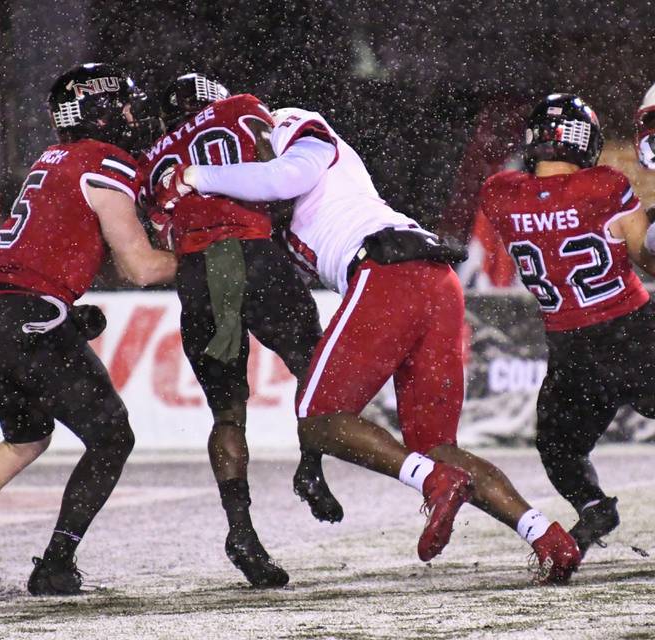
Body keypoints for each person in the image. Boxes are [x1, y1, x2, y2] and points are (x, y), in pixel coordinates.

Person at [156, 106, 581, 584]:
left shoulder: (296, 131)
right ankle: (548, 537)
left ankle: (435, 482)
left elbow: (284, 174)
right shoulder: (278, 220)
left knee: (319, 420)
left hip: (387, 268)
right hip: (432, 281)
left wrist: (194, 174)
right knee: (436, 446)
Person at [139, 75, 474, 587]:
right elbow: (277, 175)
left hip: (197, 273)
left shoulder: (151, 164)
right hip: (252, 255)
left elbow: (161, 232)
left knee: (227, 413)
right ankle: (311, 469)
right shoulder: (245, 109)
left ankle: (241, 529)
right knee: (318, 375)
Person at [0, 63, 177, 595]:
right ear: (98, 112)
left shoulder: (54, 161)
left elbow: (41, 252)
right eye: (122, 104)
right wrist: (214, 256)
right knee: (111, 436)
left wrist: (67, 311)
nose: (130, 114)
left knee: (26, 437)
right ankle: (56, 562)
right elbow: (141, 267)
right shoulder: (103, 162)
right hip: (29, 318)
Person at [476, 93, 655, 558]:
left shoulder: (499, 194)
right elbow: (646, 257)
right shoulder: (604, 185)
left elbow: (544, 213)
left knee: (558, 445)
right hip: (632, 332)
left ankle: (594, 505)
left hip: (569, 347)